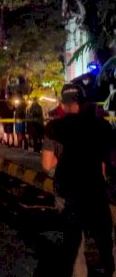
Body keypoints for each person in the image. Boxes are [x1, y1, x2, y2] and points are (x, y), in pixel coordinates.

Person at [41, 83, 115, 276]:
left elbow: (47, 164)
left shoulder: (54, 127)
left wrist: (63, 155)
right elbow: (107, 163)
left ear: (63, 104)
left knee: (74, 248)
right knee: (106, 244)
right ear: (83, 101)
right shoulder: (102, 126)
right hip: (96, 192)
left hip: (68, 194)